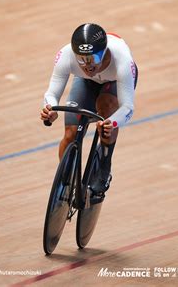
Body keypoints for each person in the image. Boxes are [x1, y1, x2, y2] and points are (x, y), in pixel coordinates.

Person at [40, 23, 137, 197]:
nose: (88, 66)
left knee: (106, 111)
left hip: (113, 83)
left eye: (93, 59)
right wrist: (49, 108)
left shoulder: (122, 60)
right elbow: (51, 93)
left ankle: (104, 168)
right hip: (85, 82)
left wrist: (112, 122)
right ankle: (65, 182)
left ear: (105, 51)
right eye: (82, 60)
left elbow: (128, 107)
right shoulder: (66, 54)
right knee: (70, 133)